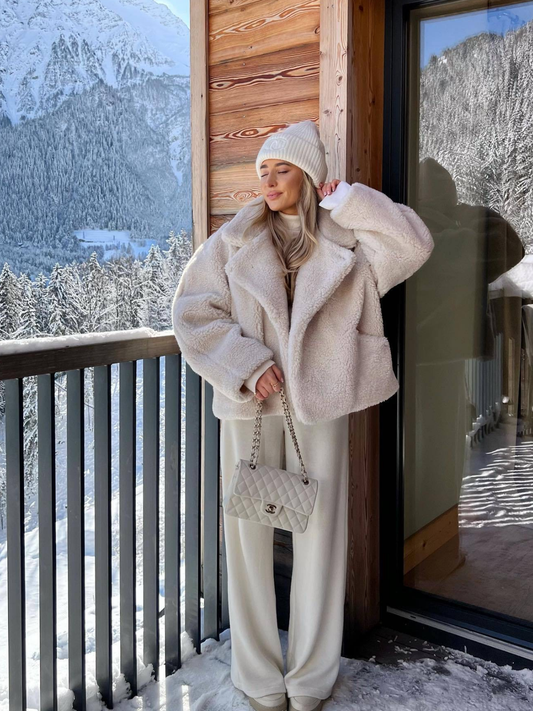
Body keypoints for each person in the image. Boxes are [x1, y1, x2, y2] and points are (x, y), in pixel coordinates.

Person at [171, 120, 434, 711]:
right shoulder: (233, 240)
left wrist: (351, 200)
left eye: (282, 169)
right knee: (247, 537)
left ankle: (312, 677)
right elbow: (191, 313)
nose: (268, 181)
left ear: (310, 177)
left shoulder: (348, 240)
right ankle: (257, 674)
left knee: (320, 537)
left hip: (321, 403)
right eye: (262, 170)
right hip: (250, 402)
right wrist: (246, 363)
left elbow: (414, 245)